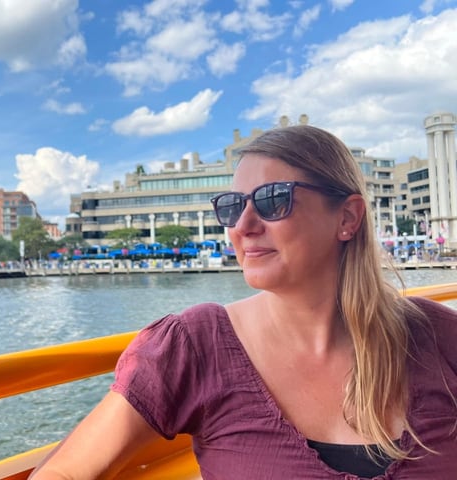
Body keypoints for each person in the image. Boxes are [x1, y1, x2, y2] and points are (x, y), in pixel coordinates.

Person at [29, 125, 457, 479]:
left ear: (347, 218)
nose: (243, 226)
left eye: (274, 200)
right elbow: (65, 472)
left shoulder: (442, 340)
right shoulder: (193, 346)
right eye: (232, 207)